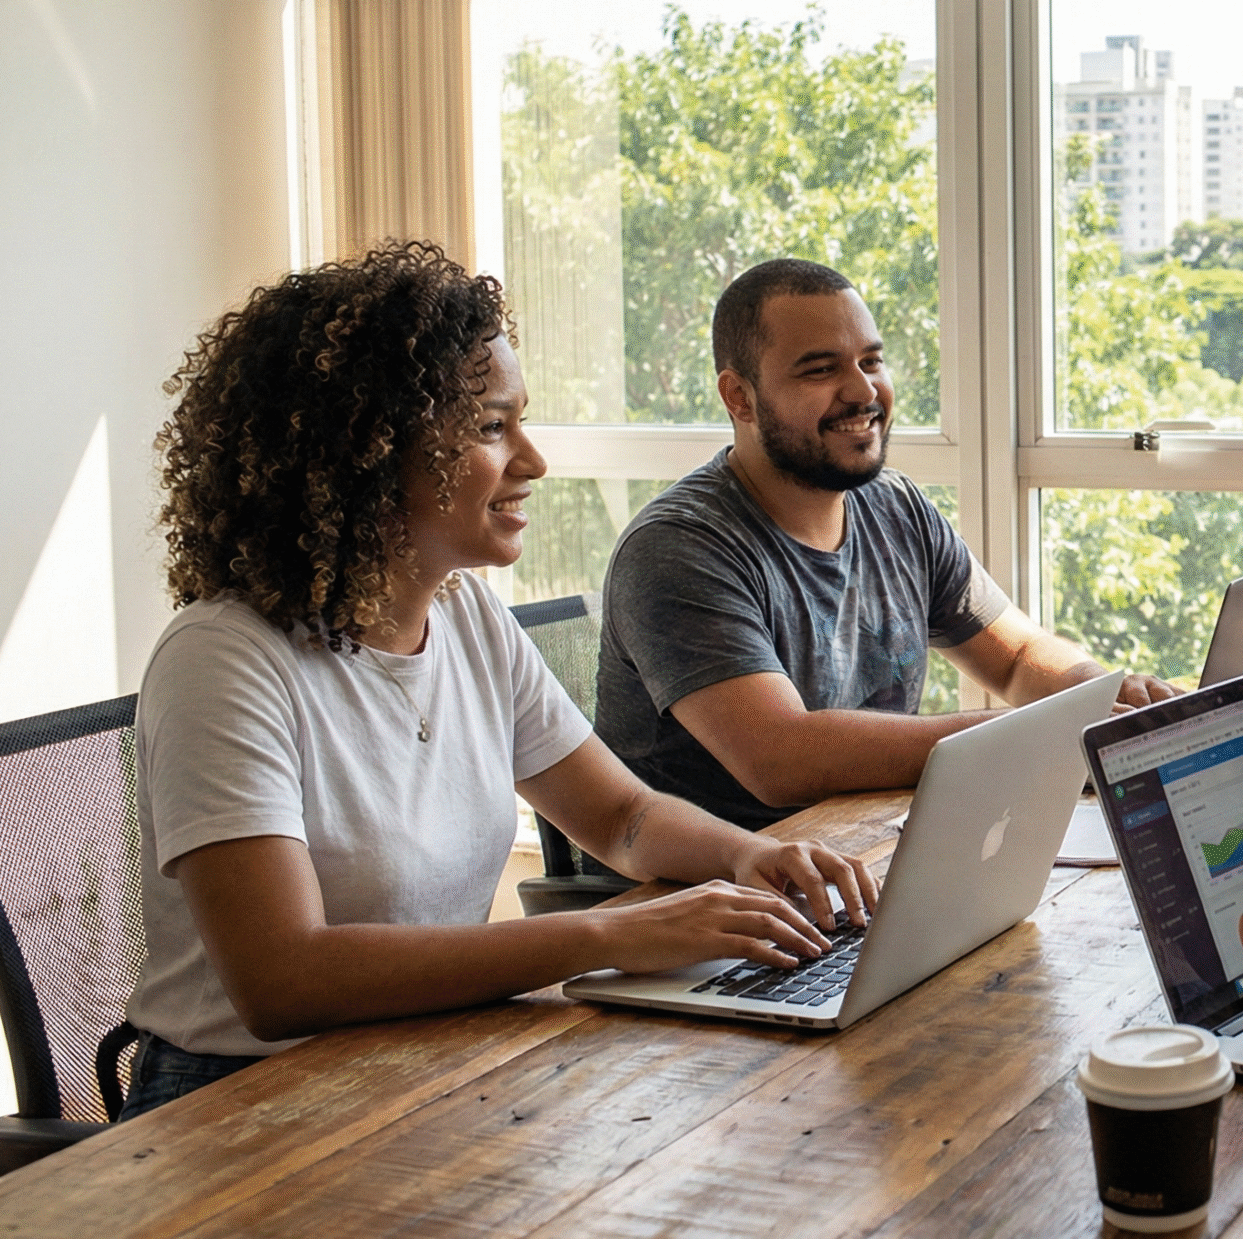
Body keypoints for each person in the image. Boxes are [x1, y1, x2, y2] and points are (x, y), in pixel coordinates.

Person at [123, 243, 878, 1118]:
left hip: (416, 1054)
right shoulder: (224, 660)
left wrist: (746, 855)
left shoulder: (468, 618)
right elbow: (283, 979)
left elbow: (622, 818)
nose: (532, 460)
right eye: (491, 427)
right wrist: (607, 934)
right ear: (367, 450)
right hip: (236, 1104)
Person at [596, 259, 1173, 836]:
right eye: (820, 370)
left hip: (864, 853)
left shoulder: (896, 507)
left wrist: (1104, 695)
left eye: (871, 361)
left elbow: (1018, 657)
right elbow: (781, 758)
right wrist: (1044, 734)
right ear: (739, 397)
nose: (863, 391)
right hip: (709, 897)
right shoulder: (678, 548)